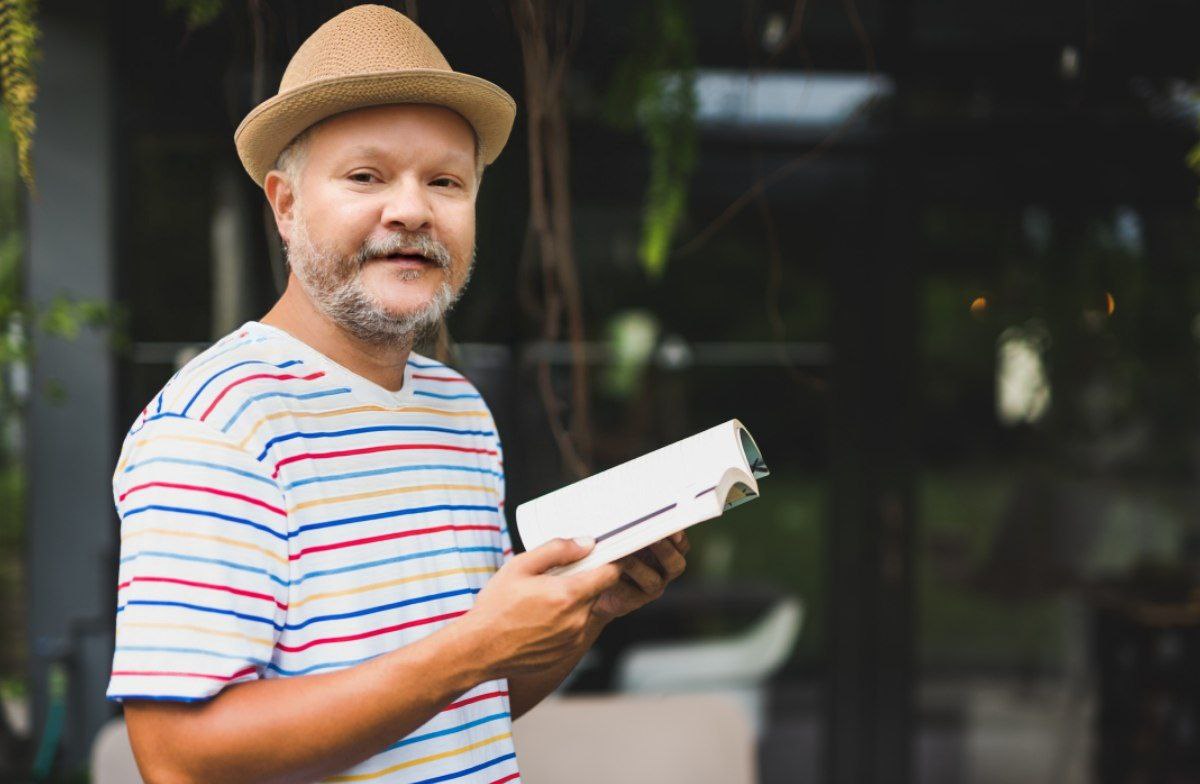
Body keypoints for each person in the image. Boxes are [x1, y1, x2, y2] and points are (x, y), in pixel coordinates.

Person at [107, 6, 689, 783]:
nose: (413, 209)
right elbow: (177, 759)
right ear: (284, 205)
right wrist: (476, 644)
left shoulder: (457, 411)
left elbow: (459, 702)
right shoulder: (217, 424)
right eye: (366, 176)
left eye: (445, 181)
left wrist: (582, 617)